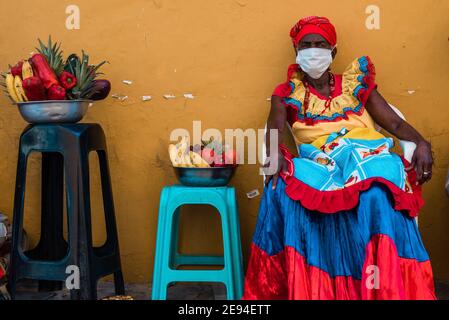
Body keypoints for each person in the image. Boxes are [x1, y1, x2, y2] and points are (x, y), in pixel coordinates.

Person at [243, 16, 436, 300]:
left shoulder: (356, 86)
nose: (313, 51)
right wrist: (273, 153)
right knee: (284, 190)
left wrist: (420, 143)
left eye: (320, 45)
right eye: (305, 45)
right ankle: (320, 287)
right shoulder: (286, 93)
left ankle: (381, 288)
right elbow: (274, 127)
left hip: (365, 153)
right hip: (321, 162)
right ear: (296, 51)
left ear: (333, 52)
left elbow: (394, 124)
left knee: (376, 194)